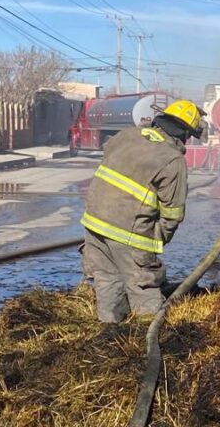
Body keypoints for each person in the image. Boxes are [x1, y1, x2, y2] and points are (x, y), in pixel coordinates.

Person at [79, 99, 203, 322]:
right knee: (143, 288)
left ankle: (109, 338)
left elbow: (110, 159)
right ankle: (145, 341)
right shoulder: (172, 159)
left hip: (93, 223)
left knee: (107, 281)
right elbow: (173, 215)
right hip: (130, 232)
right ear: (185, 133)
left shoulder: (127, 135)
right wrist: (154, 241)